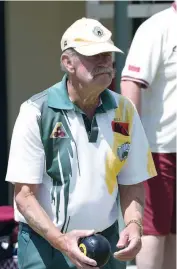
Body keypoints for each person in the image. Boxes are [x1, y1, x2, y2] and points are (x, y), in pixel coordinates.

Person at [6, 18, 157, 269]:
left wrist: (134, 224)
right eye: (94, 55)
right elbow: (24, 196)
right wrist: (63, 242)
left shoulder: (124, 109)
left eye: (107, 55)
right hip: (46, 245)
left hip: (105, 243)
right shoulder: (36, 110)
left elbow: (132, 182)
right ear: (68, 63)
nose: (105, 63)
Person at [121, 3, 176, 269]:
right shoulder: (156, 28)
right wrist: (127, 141)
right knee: (154, 232)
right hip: (158, 150)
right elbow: (130, 83)